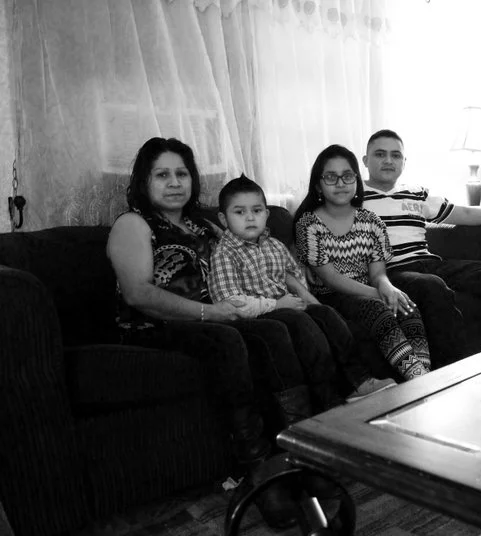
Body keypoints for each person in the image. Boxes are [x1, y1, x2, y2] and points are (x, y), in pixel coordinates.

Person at [106, 137, 342, 525]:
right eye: (161, 174)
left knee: (277, 330)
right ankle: (261, 473)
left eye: (181, 173)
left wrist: (283, 293)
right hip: (156, 326)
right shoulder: (133, 224)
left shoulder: (206, 224)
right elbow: (138, 293)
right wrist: (209, 313)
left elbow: (248, 256)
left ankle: (302, 456)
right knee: (229, 340)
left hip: (220, 315)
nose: (174, 182)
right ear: (143, 181)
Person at [208, 175, 396, 402]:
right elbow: (231, 303)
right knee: (303, 326)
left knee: (327, 315)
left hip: (288, 306)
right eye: (239, 212)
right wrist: (278, 304)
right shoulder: (224, 252)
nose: (250, 218)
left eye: (257, 211)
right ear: (223, 219)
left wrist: (309, 301)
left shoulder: (274, 245)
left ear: (266, 214)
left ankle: (359, 380)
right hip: (257, 317)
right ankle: (328, 397)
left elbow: (294, 277)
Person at [361, 129, 481, 366]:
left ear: (404, 162)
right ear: (365, 161)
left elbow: (463, 213)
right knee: (432, 286)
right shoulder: (354, 197)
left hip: (431, 264)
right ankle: (453, 376)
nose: (388, 160)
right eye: (380, 154)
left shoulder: (417, 193)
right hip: (394, 272)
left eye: (395, 155)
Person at [293, 144, 431, 381]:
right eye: (330, 177)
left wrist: (388, 288)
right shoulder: (308, 224)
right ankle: (418, 379)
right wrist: (378, 295)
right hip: (332, 296)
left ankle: (423, 376)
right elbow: (331, 279)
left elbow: (378, 274)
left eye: (347, 176)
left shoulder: (370, 221)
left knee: (407, 305)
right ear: (318, 185)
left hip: (366, 288)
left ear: (357, 181)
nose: (340, 183)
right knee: (378, 308)